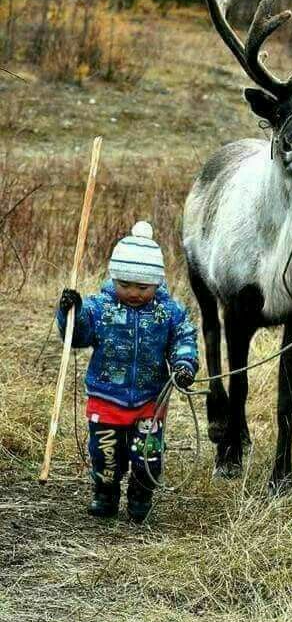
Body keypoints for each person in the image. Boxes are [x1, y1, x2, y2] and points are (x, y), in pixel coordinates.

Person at [56, 221, 199, 522]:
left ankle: (140, 496)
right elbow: (78, 336)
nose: (133, 292)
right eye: (125, 285)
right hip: (106, 398)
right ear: (114, 278)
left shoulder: (168, 311)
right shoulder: (99, 308)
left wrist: (184, 364)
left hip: (149, 402)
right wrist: (70, 311)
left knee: (148, 456)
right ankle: (105, 494)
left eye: (142, 287)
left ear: (157, 282)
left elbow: (184, 337)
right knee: (106, 456)